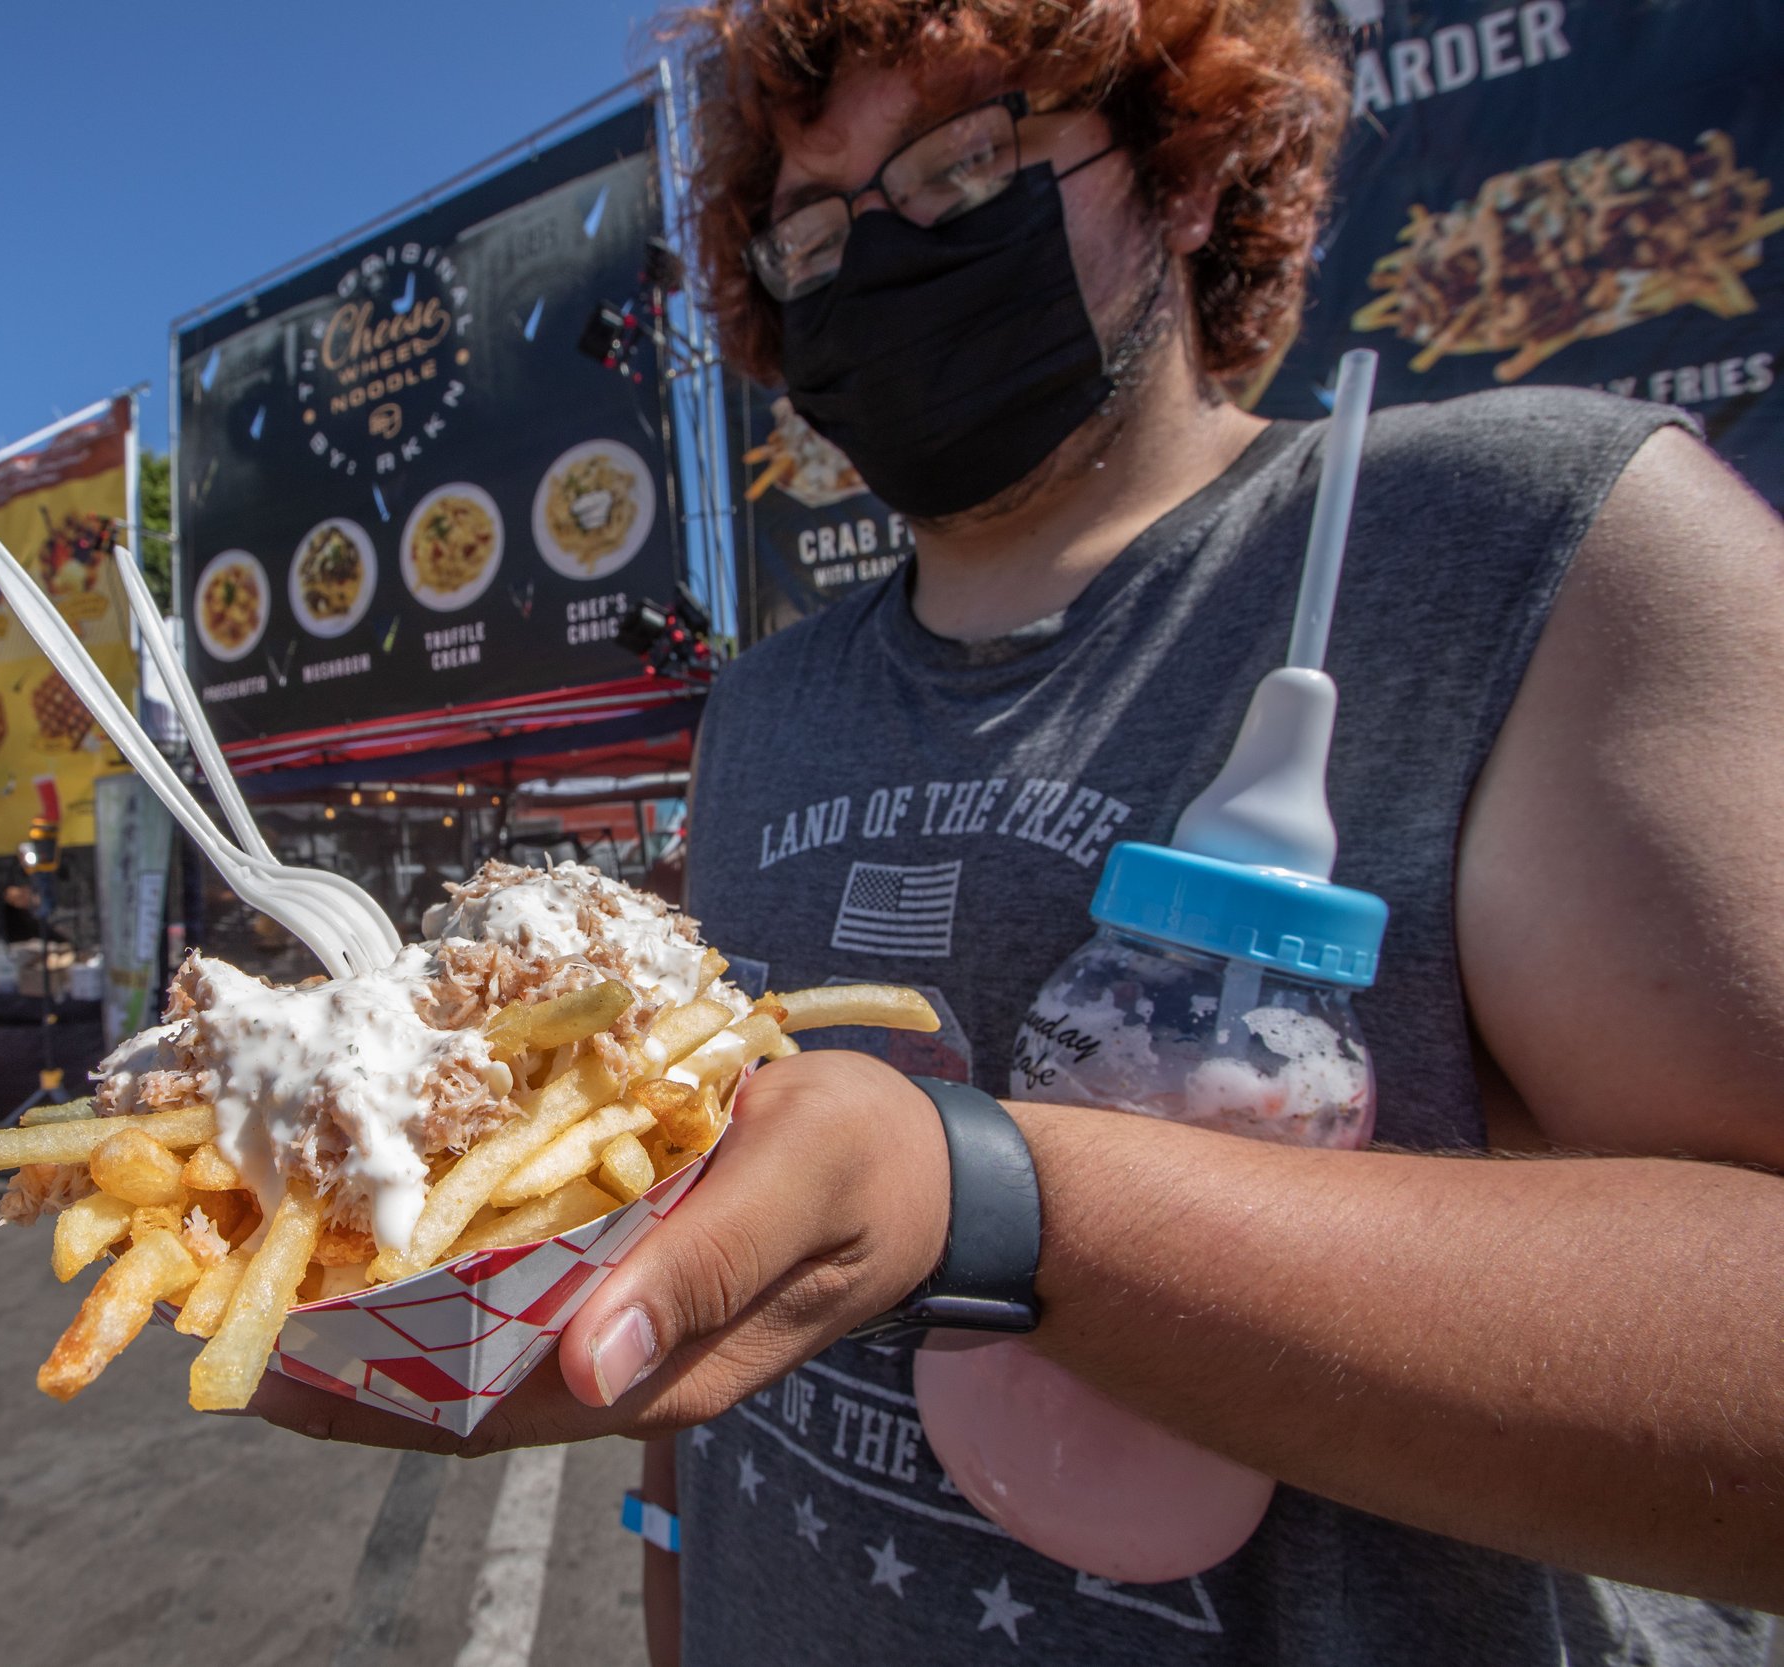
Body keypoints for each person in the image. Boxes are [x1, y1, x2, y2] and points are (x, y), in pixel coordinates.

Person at [249, 3, 1784, 1661]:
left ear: (1185, 170)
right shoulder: (763, 709)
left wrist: (990, 1202)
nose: (880, 253)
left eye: (966, 160)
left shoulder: (1536, 543)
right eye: (819, 223)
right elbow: (704, 1349)